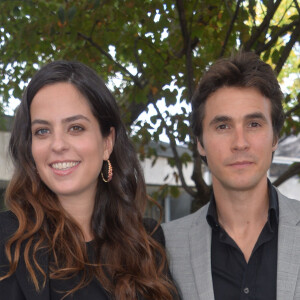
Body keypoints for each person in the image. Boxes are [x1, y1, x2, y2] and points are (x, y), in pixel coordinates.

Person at [0, 61, 179, 300]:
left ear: (107, 143)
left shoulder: (147, 242)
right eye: (42, 131)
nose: (58, 145)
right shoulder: (7, 241)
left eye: (75, 128)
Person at [162, 52, 300, 300]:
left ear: (275, 138)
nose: (240, 143)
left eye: (254, 124)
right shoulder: (165, 247)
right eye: (223, 126)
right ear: (200, 143)